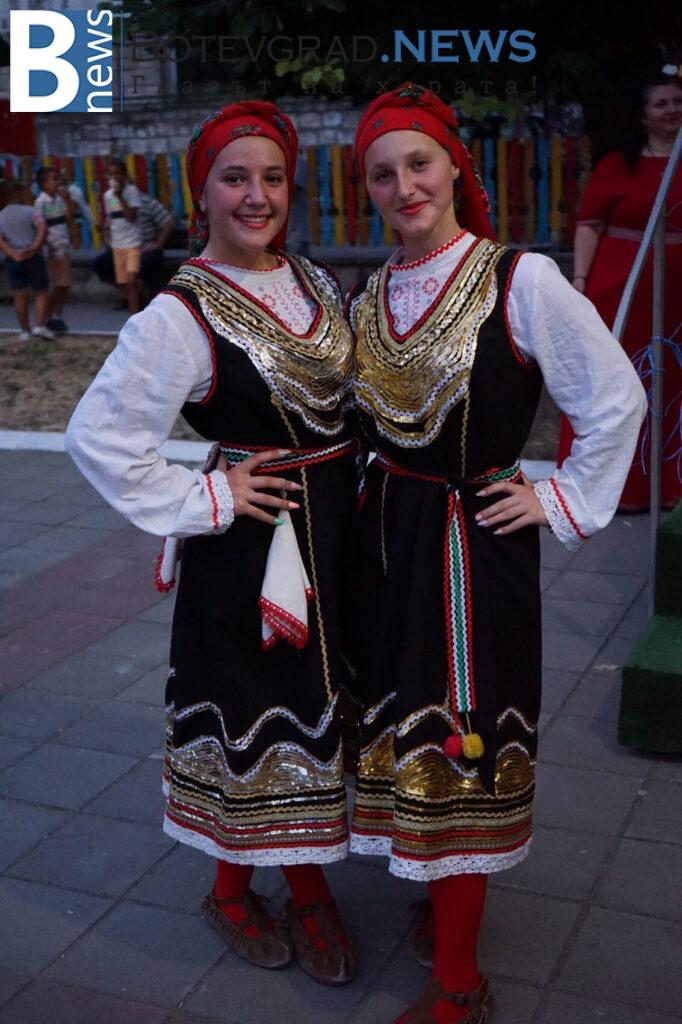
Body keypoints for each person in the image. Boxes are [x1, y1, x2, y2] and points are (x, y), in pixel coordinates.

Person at [345, 83, 647, 1024]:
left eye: (419, 163)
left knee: (460, 735)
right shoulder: (371, 291)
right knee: (402, 724)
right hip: (387, 541)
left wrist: (555, 496)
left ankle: (458, 987)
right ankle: (437, 901)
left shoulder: (521, 280)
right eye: (383, 174)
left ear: (454, 167)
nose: (404, 186)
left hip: (470, 551)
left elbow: (615, 397)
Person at [65, 101, 358, 987]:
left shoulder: (313, 280)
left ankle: (247, 883)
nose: (256, 195)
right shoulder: (180, 313)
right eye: (235, 178)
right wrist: (208, 496)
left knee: (313, 705)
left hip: (336, 533)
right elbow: (99, 435)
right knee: (259, 711)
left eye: (272, 177)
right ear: (203, 193)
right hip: (252, 547)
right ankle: (293, 889)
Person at [557, 61, 682, 510]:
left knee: (673, 378)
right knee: (616, 381)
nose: (671, 109)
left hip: (678, 294)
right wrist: (580, 281)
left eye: (677, 101)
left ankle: (670, 489)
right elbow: (590, 225)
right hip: (619, 288)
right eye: (661, 103)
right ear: (644, 113)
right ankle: (611, 488)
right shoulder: (618, 164)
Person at [94, 189, 175, 302]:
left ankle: (135, 297)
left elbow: (168, 222)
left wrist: (158, 244)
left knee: (138, 266)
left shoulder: (147, 202)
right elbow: (110, 227)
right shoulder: (114, 203)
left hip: (146, 248)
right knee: (101, 264)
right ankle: (132, 296)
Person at [0, 179, 55, 341]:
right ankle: (40, 325)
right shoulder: (31, 211)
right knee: (40, 292)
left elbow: (1, 240)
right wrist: (34, 247)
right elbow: (42, 229)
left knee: (19, 295)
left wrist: (13, 254)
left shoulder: (1, 215)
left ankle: (24, 330)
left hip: (13, 260)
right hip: (33, 257)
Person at [33, 165, 75, 334]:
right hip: (52, 248)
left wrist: (68, 199)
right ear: (44, 183)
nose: (59, 182)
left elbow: (69, 218)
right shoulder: (41, 202)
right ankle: (48, 316)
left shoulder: (59, 199)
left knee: (64, 284)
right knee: (58, 284)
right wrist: (48, 245)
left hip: (63, 244)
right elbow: (39, 227)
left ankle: (56, 315)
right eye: (55, 179)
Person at [102, 158, 143, 313]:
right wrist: (104, 227)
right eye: (111, 174)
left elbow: (131, 216)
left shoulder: (131, 191)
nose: (114, 178)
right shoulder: (107, 195)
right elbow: (111, 217)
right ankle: (135, 307)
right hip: (117, 243)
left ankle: (136, 312)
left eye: (117, 174)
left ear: (124, 175)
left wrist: (120, 196)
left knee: (131, 279)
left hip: (132, 242)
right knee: (124, 282)